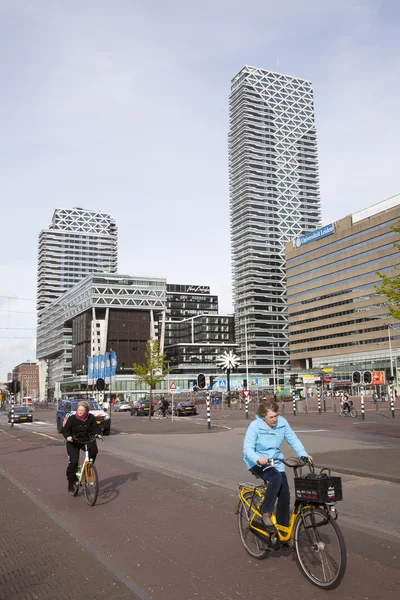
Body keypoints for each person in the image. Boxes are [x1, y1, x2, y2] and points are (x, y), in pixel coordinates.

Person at [243, 398, 312, 530]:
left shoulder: (282, 423)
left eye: (276, 416)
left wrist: (303, 454)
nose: (275, 419)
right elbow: (248, 449)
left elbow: (293, 439)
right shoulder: (254, 426)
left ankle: (283, 530)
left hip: (276, 461)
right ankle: (266, 512)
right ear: (263, 417)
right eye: (271, 417)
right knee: (275, 477)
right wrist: (258, 458)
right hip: (257, 462)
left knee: (285, 495)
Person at [63, 401, 102, 493]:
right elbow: (66, 430)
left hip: (86, 439)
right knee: (73, 462)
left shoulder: (91, 418)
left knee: (93, 450)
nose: (80, 412)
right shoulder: (72, 418)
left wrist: (98, 434)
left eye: (82, 410)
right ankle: (71, 483)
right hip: (73, 441)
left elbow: (95, 428)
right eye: (79, 410)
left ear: (87, 411)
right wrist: (68, 436)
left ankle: (88, 468)